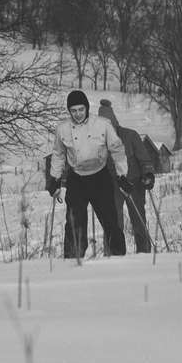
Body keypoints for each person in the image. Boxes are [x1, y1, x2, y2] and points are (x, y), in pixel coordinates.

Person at [47, 90, 129, 258]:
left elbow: (117, 149)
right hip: (76, 179)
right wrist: (54, 178)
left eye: (81, 109)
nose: (78, 114)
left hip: (100, 177)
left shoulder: (102, 124)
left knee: (110, 220)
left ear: (87, 108)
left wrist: (122, 175)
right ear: (69, 111)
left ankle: (118, 256)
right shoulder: (62, 129)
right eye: (74, 110)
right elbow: (58, 154)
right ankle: (73, 259)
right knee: (74, 223)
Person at [98, 99, 156, 253]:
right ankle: (114, 254)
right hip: (113, 186)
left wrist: (148, 174)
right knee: (113, 222)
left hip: (134, 183)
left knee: (138, 220)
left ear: (114, 121)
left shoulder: (130, 135)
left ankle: (144, 253)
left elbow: (144, 159)